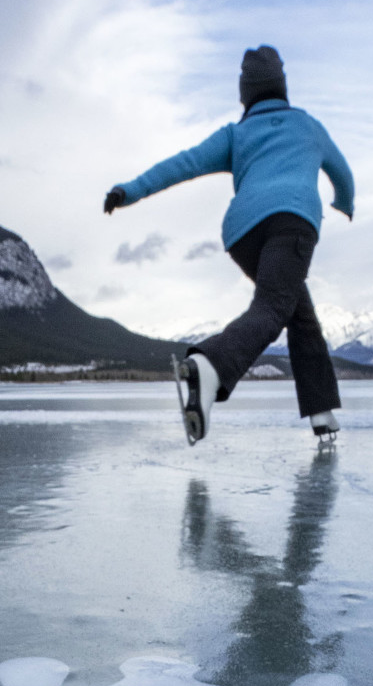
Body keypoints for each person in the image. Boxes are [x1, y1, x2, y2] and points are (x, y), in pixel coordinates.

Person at [104, 45, 354, 446]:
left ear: (246, 94)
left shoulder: (236, 135)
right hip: (292, 223)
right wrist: (345, 203)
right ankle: (210, 363)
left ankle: (322, 412)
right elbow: (342, 173)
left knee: (296, 311)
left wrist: (129, 191)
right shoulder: (308, 127)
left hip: (243, 233)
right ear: (283, 87)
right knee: (273, 308)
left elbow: (183, 164)